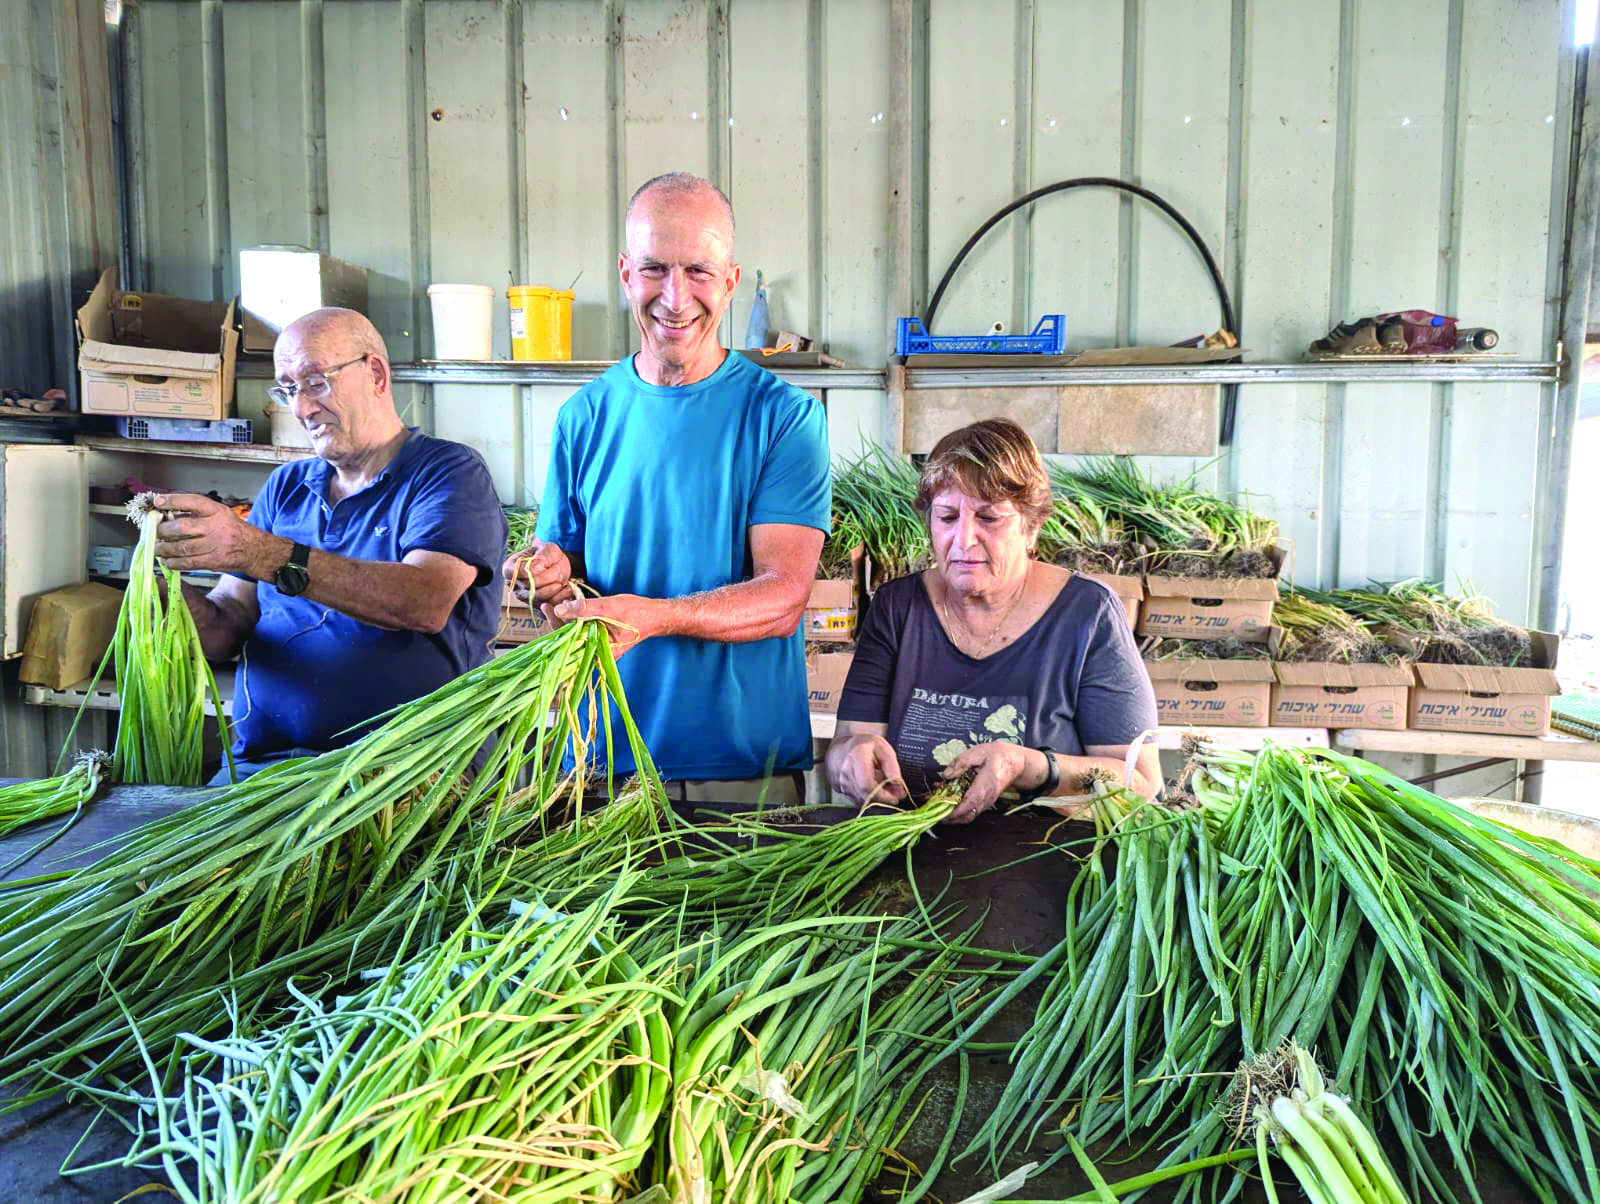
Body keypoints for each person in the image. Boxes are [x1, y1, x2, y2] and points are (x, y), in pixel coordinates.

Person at [505, 172, 830, 802]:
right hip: (602, 763)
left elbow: (785, 595)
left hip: (742, 772)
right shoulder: (585, 417)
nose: (675, 298)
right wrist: (542, 573)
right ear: (626, 274)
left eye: (699, 272)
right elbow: (561, 565)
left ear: (731, 282)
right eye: (654, 269)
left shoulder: (783, 417)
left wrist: (655, 618)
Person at [152, 307, 507, 781]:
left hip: (399, 781)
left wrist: (256, 551)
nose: (301, 408)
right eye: (289, 389)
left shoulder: (447, 473)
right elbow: (227, 627)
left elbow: (423, 601)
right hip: (264, 772)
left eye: (316, 382)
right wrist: (168, 601)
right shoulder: (285, 487)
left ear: (375, 374)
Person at [826, 419, 1160, 823]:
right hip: (914, 856)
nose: (964, 539)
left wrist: (1030, 767)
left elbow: (1138, 780)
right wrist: (851, 756)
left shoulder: (1087, 616)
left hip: (1048, 863)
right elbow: (844, 747)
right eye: (947, 518)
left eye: (988, 519)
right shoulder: (897, 608)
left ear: (1031, 526)